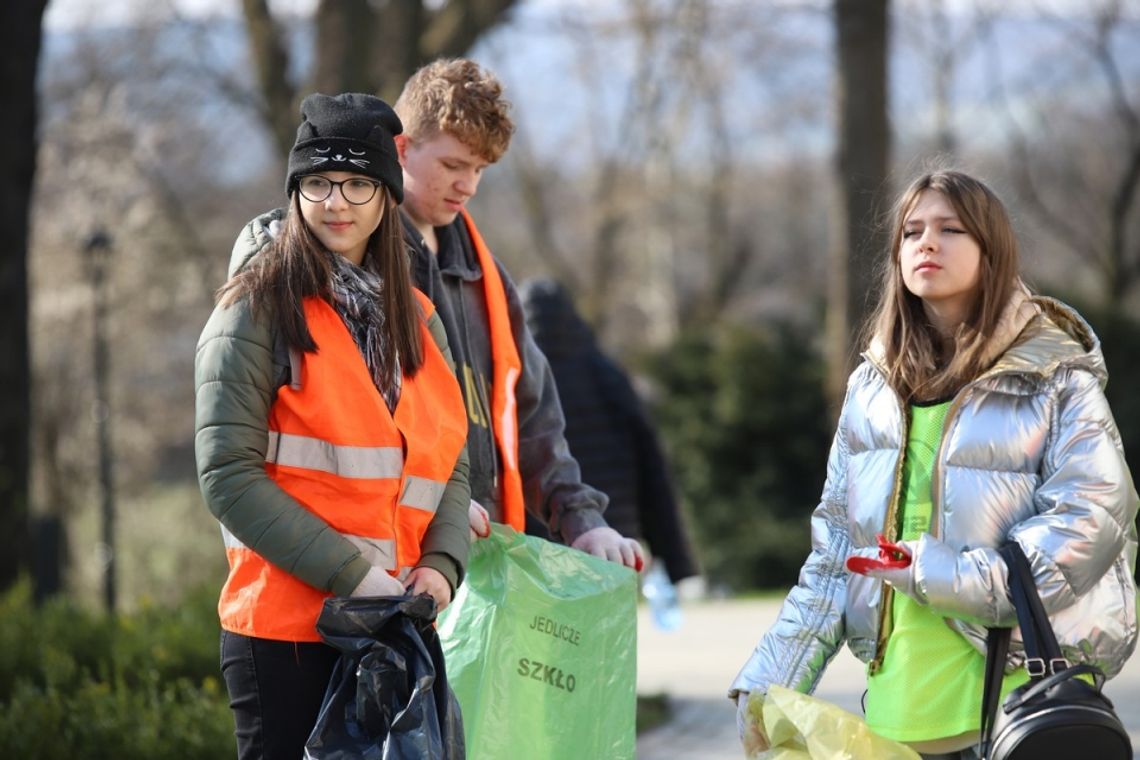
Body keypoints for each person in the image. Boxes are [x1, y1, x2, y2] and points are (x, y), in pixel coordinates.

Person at [730, 170, 1138, 759]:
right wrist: (771, 676)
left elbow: (1089, 526)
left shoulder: (1056, 380)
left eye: (951, 229)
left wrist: (932, 573)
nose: (927, 243)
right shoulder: (871, 390)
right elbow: (835, 556)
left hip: (1015, 711)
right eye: (912, 231)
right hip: (897, 716)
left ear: (991, 250)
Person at [198, 92, 471, 760]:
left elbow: (450, 456)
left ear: (385, 197)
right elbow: (227, 476)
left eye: (357, 183)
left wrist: (441, 564)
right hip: (286, 636)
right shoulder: (253, 311)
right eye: (317, 182)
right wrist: (354, 575)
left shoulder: (417, 316)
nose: (336, 202)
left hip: (391, 627)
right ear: (296, 193)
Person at [390, 57, 643, 569]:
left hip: (484, 559)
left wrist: (582, 521)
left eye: (479, 170)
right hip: (392, 561)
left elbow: (534, 417)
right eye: (453, 165)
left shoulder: (489, 278)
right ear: (401, 147)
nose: (468, 185)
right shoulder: (357, 267)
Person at [519, 277, 698, 584]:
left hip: (544, 526)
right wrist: (674, 559)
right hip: (612, 526)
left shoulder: (519, 378)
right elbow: (651, 465)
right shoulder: (606, 373)